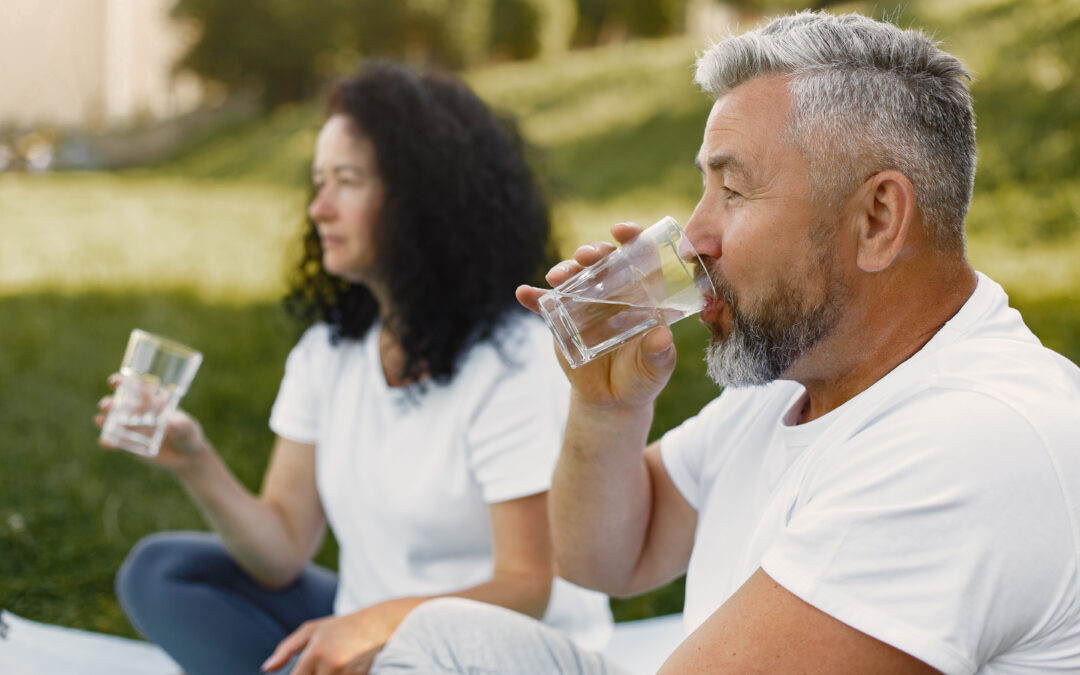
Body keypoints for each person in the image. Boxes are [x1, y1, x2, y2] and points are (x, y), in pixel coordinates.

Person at [364, 11, 1080, 675]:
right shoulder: (803, 378)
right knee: (440, 638)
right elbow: (606, 558)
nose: (694, 236)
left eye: (732, 192)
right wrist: (606, 412)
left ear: (878, 218)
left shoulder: (971, 441)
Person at [97, 61, 612, 675]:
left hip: (501, 651)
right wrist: (194, 461)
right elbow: (282, 550)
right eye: (319, 181)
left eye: (346, 180)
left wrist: (370, 627)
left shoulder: (514, 359)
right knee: (163, 573)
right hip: (371, 636)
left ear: (422, 198)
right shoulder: (329, 353)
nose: (319, 208)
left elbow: (528, 587)